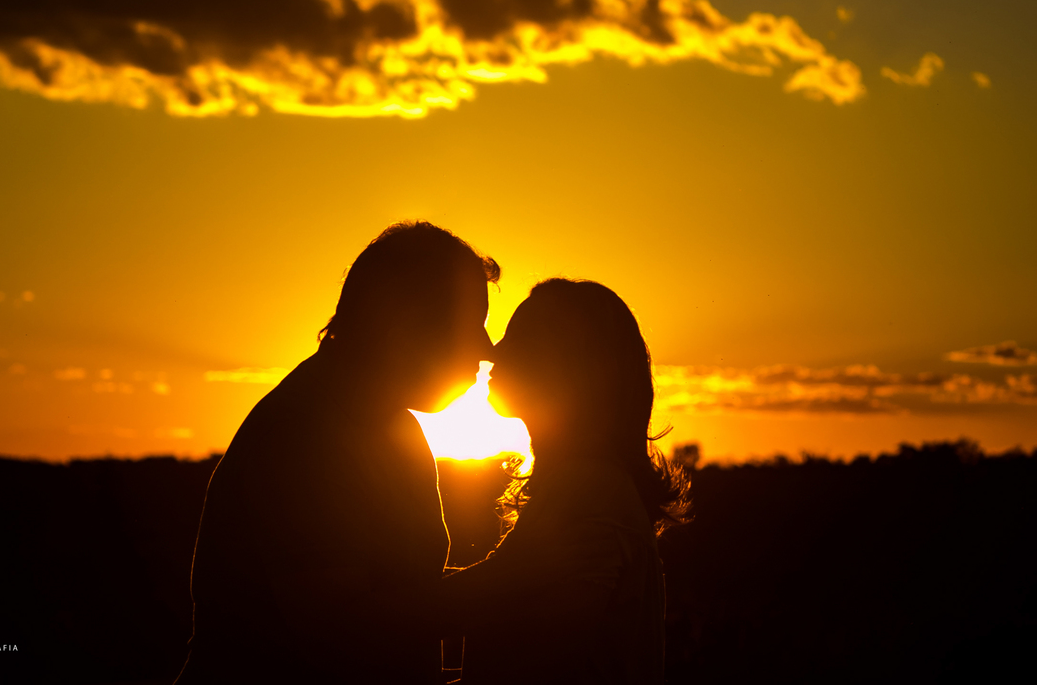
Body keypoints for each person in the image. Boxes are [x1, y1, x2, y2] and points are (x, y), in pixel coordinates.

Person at [176, 221, 500, 685]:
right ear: (403, 324)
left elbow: (395, 607)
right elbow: (340, 631)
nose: (486, 350)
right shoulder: (303, 432)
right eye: (470, 326)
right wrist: (512, 582)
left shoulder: (388, 425)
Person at [440, 278, 691, 684]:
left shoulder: (589, 490)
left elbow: (533, 664)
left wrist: (364, 611)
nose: (493, 353)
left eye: (518, 339)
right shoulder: (587, 485)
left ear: (569, 366)